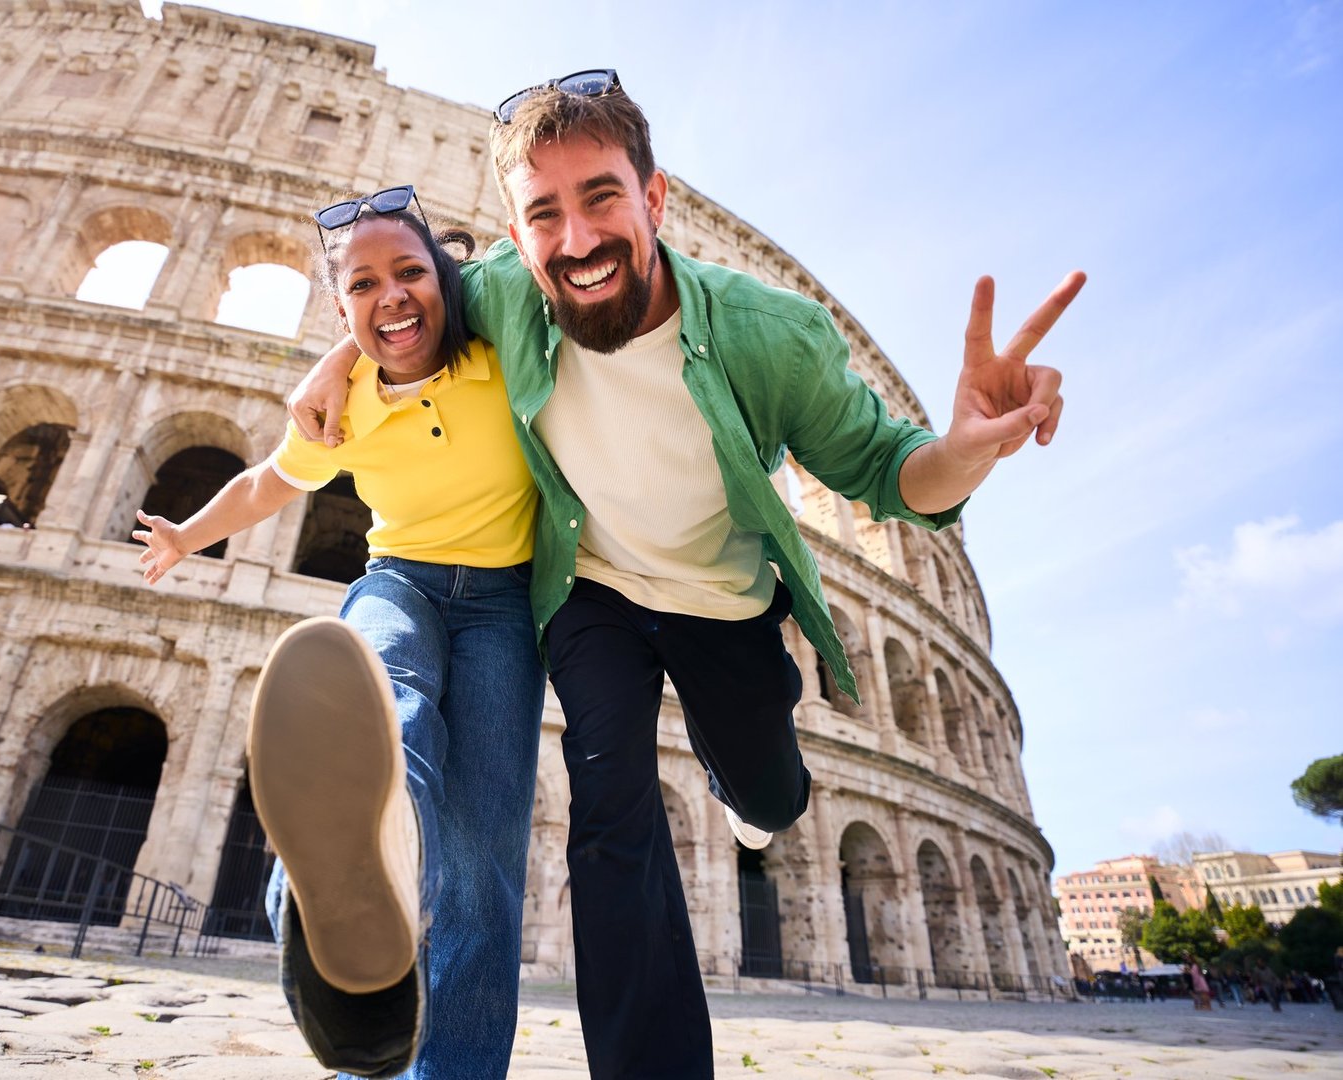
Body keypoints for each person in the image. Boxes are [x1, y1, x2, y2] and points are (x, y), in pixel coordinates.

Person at [291, 70, 1084, 1080]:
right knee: (609, 800)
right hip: (592, 590)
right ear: (514, 232)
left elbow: (891, 474)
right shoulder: (494, 291)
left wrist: (967, 448)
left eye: (601, 199)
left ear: (654, 198)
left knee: (771, 791)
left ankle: (751, 779)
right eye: (545, 215)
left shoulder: (770, 334)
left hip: (721, 600)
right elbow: (400, 316)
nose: (575, 240)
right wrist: (334, 364)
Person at [135, 187, 544, 1079]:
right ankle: (348, 899)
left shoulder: (502, 350)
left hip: (507, 604)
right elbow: (266, 486)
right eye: (363, 286)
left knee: (484, 859)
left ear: (446, 280)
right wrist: (184, 535)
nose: (392, 296)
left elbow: (519, 270)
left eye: (410, 272)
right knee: (384, 701)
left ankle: (440, 1050)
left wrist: (336, 350)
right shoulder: (344, 401)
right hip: (399, 577)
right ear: (340, 304)